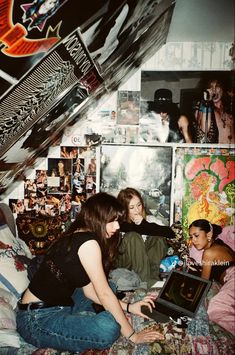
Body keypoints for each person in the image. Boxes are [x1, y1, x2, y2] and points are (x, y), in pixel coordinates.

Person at [16, 192, 164, 352]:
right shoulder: (89, 243)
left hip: (62, 303)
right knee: (109, 327)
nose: (118, 226)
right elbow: (103, 295)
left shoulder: (78, 234)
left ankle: (84, 318)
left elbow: (90, 292)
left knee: (111, 289)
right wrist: (132, 335)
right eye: (112, 221)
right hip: (37, 320)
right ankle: (87, 319)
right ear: (97, 219)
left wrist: (129, 307)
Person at [115, 188, 175, 288]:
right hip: (124, 263)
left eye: (139, 205)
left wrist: (144, 224)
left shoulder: (149, 219)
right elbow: (125, 228)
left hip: (148, 267)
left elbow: (170, 233)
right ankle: (145, 282)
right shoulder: (118, 223)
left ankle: (153, 278)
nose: (137, 210)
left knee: (158, 238)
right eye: (132, 207)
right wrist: (140, 226)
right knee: (133, 236)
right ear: (124, 210)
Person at [189, 219, 235, 335]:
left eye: (196, 236)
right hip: (230, 278)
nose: (193, 240)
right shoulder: (218, 243)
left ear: (208, 235)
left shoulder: (209, 252)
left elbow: (203, 283)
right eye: (191, 237)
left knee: (216, 307)